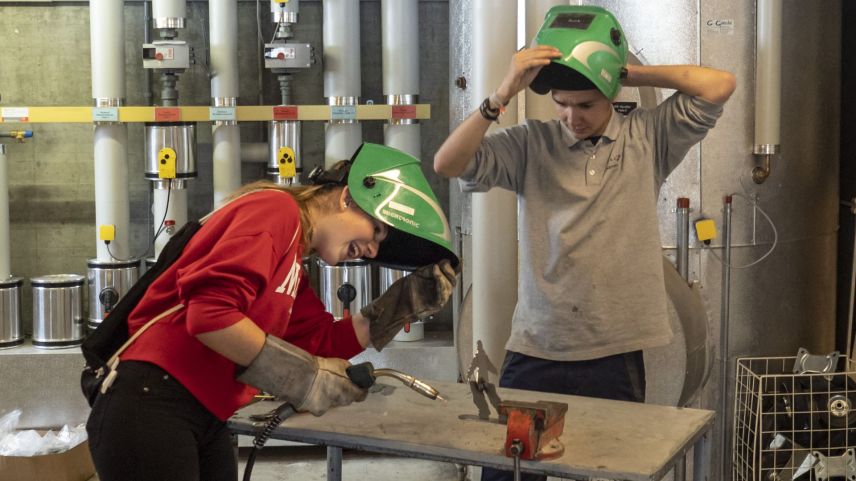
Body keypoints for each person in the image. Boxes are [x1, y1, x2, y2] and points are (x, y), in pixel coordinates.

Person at [433, 6, 735, 481]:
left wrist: (626, 69)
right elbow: (447, 164)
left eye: (586, 104)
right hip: (536, 348)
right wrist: (500, 95)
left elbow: (720, 85)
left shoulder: (648, 136)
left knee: (609, 470)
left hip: (614, 353)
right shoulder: (531, 143)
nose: (572, 117)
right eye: (561, 102)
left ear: (613, 96)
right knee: (508, 473)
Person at [86, 142, 459, 481]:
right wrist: (304, 378)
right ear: (348, 197)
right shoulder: (275, 211)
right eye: (376, 230)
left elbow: (323, 341)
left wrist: (399, 304)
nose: (374, 251)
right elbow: (210, 314)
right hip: (151, 404)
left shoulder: (294, 262)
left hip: (204, 415)